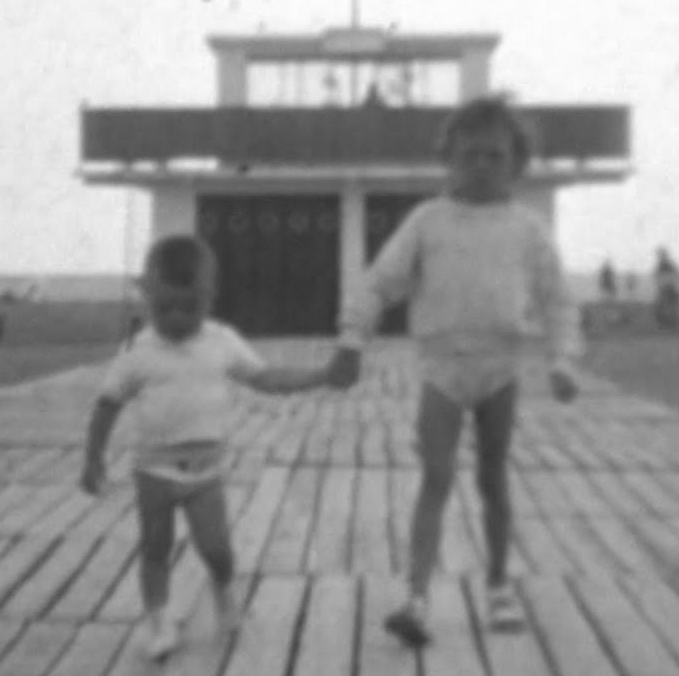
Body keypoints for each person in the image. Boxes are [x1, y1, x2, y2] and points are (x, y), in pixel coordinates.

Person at [328, 95, 583, 648]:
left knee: (493, 477)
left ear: (517, 162)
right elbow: (380, 282)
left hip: (501, 367)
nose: (482, 166)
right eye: (469, 155)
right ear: (448, 158)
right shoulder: (427, 220)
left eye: (495, 156)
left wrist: (562, 360)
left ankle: (498, 585)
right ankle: (416, 596)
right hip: (441, 367)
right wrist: (353, 337)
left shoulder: (527, 228)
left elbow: (558, 300)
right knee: (436, 475)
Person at [80, 234, 334, 660]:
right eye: (164, 308)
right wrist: (93, 459)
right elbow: (107, 405)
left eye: (190, 307)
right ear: (146, 296)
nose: (177, 318)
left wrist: (321, 376)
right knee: (155, 548)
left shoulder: (221, 342)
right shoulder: (138, 353)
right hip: (152, 471)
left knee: (217, 548)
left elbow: (266, 379)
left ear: (210, 298)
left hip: (204, 473)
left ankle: (224, 590)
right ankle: (159, 623)